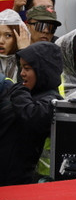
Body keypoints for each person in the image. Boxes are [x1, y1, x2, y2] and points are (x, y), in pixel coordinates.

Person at [0, 41, 63, 186]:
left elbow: (31, 116)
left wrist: (20, 91)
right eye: (21, 68)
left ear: (42, 70)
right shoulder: (21, 92)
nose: (22, 74)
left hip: (17, 182)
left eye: (27, 68)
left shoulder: (51, 100)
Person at [0, 9, 29, 82]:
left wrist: (23, 53)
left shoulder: (31, 62)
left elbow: (24, 89)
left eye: (8, 35)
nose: (1, 41)